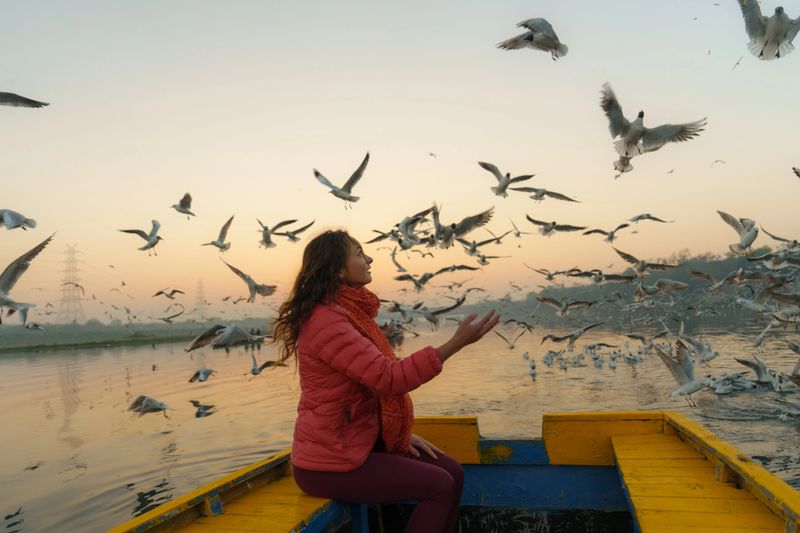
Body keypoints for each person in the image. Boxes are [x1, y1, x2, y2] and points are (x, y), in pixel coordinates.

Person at [271, 229, 500, 533]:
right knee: (439, 485)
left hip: (356, 444)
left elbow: (368, 386)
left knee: (452, 471)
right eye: (358, 253)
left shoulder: (347, 312)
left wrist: (395, 433)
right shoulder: (326, 322)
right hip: (328, 463)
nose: (369, 259)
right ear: (338, 269)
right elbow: (388, 379)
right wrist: (455, 343)